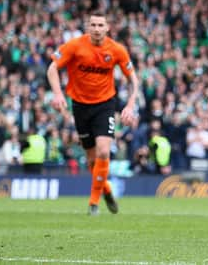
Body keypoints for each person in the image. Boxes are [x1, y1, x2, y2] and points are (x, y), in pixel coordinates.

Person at [47, 12, 139, 215]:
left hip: (105, 105)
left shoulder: (116, 50)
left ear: (107, 28)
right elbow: (52, 68)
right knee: (91, 160)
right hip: (80, 106)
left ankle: (93, 203)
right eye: (93, 25)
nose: (97, 28)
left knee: (104, 152)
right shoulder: (74, 46)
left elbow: (133, 78)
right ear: (88, 27)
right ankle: (105, 189)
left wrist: (130, 104)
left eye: (100, 25)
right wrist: (57, 94)